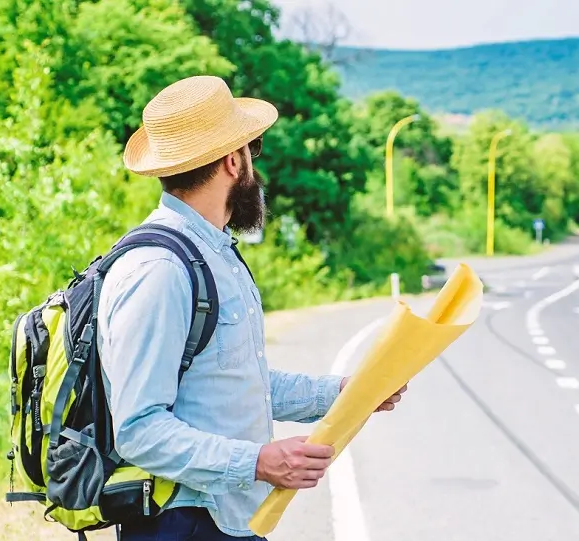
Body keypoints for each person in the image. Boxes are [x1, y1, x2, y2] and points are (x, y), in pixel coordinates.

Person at [98, 75, 407, 540]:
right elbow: (139, 429)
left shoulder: (213, 254)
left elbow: (239, 381)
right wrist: (259, 462)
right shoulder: (159, 269)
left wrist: (349, 392)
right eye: (252, 151)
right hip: (181, 523)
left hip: (229, 519)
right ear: (231, 160)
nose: (254, 168)